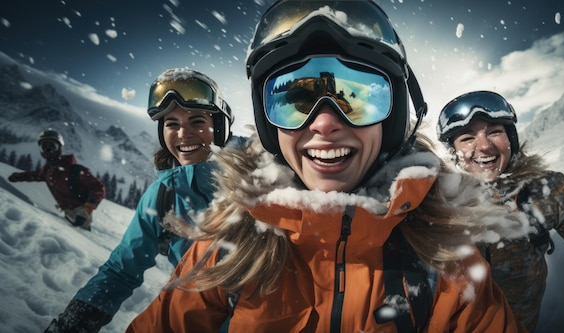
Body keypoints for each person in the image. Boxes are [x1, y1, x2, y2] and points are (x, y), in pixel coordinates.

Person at [127, 1, 530, 332]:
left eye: (357, 95)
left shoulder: (444, 259)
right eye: (293, 99)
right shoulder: (233, 239)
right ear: (268, 126)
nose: (323, 122)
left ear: (392, 121)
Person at [43, 68, 236, 332]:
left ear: (221, 127)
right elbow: (121, 270)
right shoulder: (162, 198)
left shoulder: (261, 179)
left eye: (197, 121)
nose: (183, 134)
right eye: (172, 124)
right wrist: (71, 324)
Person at [436, 90, 564, 331]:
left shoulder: (542, 190)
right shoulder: (434, 208)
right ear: (453, 152)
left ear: (511, 139)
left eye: (495, 132)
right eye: (467, 138)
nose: (484, 146)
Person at [8, 129, 105, 231]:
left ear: (60, 147)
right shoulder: (48, 170)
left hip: (81, 213)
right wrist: (18, 176)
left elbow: (98, 187)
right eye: (44, 147)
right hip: (67, 212)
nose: (48, 150)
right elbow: (35, 175)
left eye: (52, 146)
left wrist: (87, 209)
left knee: (78, 240)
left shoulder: (75, 170)